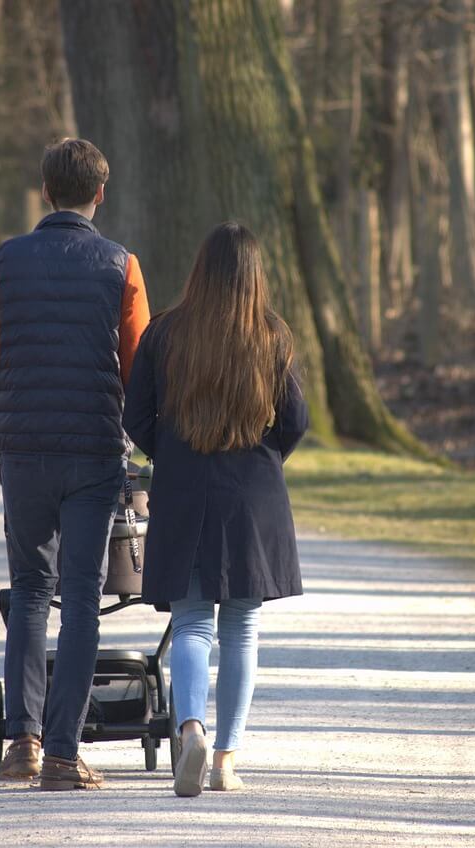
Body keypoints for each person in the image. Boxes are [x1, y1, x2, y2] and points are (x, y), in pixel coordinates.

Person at [0, 138, 151, 791]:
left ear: (46, 192)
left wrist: (9, 419)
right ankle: (64, 755)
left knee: (29, 589)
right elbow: (137, 366)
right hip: (94, 452)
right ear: (99, 194)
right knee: (80, 596)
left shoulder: (3, 262)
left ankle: (22, 740)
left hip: (23, 451)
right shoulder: (120, 266)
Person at [122, 221, 309, 797]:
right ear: (255, 277)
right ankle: (227, 756)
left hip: (185, 493)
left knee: (193, 626)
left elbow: (136, 417)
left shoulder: (165, 334)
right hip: (252, 498)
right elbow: (295, 421)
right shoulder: (272, 337)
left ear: (199, 272)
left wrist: (172, 453)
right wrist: (264, 455)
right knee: (242, 629)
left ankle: (191, 729)